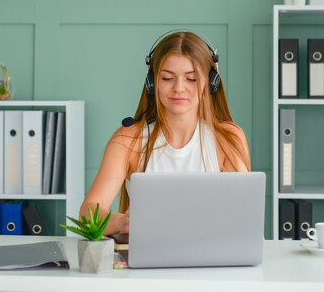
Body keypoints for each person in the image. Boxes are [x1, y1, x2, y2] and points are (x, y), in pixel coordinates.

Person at [80, 31, 251, 236]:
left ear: (211, 82)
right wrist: (120, 223)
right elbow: (87, 213)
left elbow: (245, 214)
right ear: (152, 83)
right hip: (147, 259)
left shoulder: (227, 137)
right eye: (168, 78)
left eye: (191, 79)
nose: (179, 88)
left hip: (210, 258)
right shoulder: (128, 140)